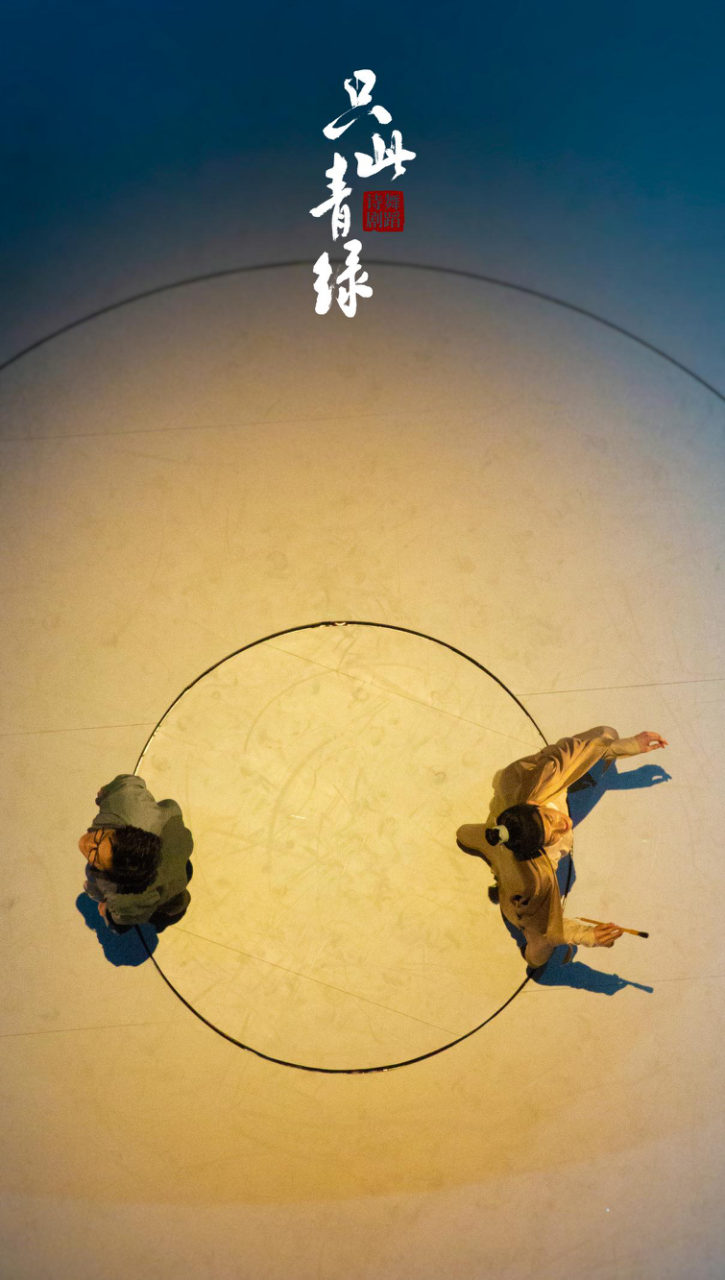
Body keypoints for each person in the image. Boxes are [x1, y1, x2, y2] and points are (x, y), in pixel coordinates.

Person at [456, 725, 667, 969]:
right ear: (535, 851)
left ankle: (478, 837)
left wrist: (630, 746)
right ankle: (486, 845)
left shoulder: (544, 778)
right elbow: (545, 927)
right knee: (540, 954)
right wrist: (588, 935)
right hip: (513, 872)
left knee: (608, 734)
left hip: (502, 825)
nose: (563, 825)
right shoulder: (531, 880)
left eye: (550, 819)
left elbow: (572, 752)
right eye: (551, 836)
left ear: (533, 803)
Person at [79, 774, 193, 933]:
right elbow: (127, 784)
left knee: (168, 895)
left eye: (95, 856)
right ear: (122, 831)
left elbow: (124, 919)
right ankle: (178, 900)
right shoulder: (126, 803)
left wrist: (108, 912)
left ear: (118, 875)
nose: (86, 843)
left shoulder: (127, 898)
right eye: (101, 837)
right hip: (176, 850)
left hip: (171, 873)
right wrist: (107, 791)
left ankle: (175, 903)